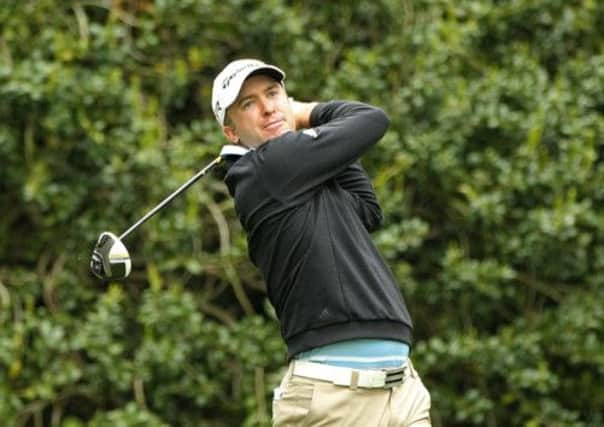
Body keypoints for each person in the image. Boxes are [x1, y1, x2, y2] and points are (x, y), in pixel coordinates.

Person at [211, 58, 431, 426]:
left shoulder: (297, 177)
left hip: (401, 391)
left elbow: (367, 211)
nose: (267, 107)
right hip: (333, 399)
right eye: (249, 104)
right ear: (232, 133)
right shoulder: (266, 169)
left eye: (273, 93)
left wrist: (316, 137)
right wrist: (306, 113)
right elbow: (371, 119)